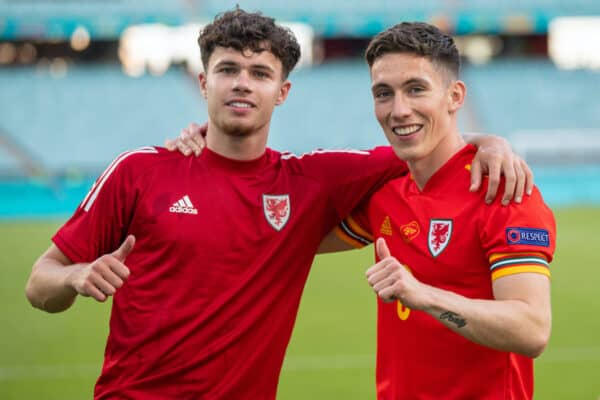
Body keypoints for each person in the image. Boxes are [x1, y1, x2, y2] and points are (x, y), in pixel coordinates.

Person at [26, 9, 531, 400]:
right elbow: (39, 283)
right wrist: (74, 278)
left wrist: (489, 143)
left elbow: (421, 141)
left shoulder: (310, 182)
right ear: (204, 83)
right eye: (227, 69)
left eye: (259, 73)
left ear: (282, 91)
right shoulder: (138, 171)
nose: (242, 82)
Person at [332, 22, 556, 399]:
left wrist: (425, 296)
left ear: (454, 96)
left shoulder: (502, 189)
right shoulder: (383, 190)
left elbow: (532, 330)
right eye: (383, 93)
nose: (399, 110)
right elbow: (288, 235)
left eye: (416, 89)